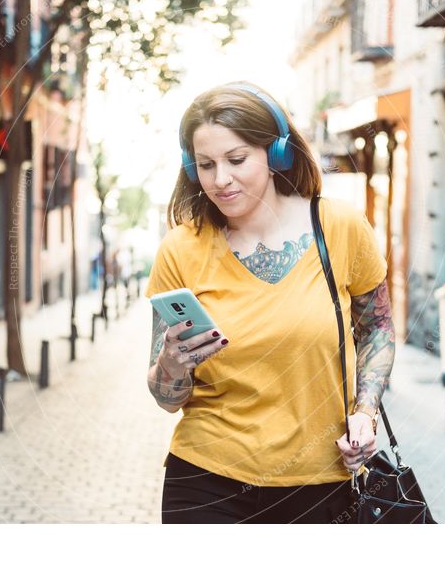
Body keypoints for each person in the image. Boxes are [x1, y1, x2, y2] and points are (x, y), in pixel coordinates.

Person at [144, 82, 396, 524]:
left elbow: (376, 329)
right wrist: (172, 363)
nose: (220, 180)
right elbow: (167, 398)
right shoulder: (179, 250)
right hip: (204, 479)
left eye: (236, 160)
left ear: (277, 153)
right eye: (205, 165)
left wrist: (365, 413)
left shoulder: (340, 227)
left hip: (321, 482)